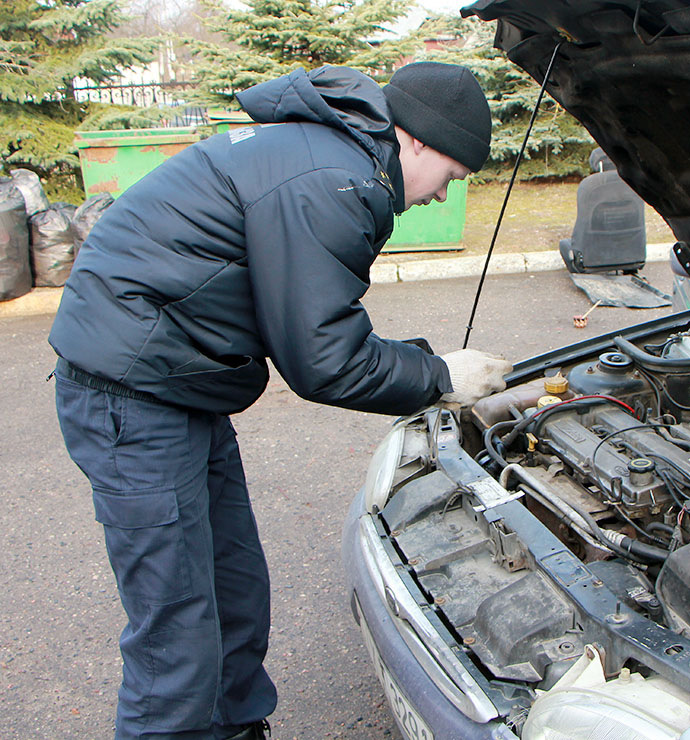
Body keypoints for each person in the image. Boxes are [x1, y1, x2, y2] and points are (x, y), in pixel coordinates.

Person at [49, 62, 511, 740]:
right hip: (131, 395)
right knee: (176, 635)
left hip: (178, 383)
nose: (444, 197)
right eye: (451, 177)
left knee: (234, 595)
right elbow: (324, 361)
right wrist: (441, 374)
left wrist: (429, 367)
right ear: (415, 140)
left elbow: (314, 325)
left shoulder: (333, 157)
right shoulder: (334, 179)